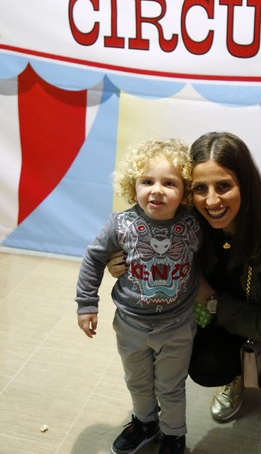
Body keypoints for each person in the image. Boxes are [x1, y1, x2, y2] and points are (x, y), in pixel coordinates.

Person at [108, 131, 261, 436]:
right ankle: (238, 370)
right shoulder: (189, 221)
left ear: (245, 184)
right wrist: (122, 260)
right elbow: (140, 230)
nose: (211, 201)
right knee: (203, 365)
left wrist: (212, 301)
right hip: (236, 308)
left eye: (223, 186)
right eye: (200, 188)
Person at [76, 138, 202, 454]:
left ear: (185, 191)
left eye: (169, 183)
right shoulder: (121, 224)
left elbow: (221, 253)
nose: (156, 189)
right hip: (130, 324)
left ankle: (174, 435)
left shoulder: (194, 225)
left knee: (171, 387)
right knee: (137, 381)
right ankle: (145, 422)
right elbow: (93, 257)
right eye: (147, 181)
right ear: (133, 187)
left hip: (177, 326)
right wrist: (87, 303)